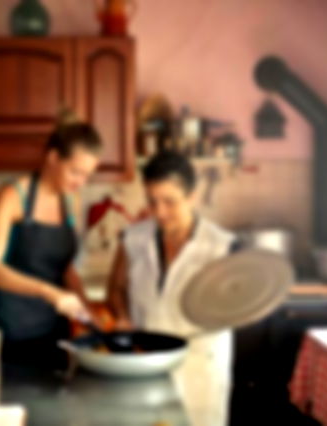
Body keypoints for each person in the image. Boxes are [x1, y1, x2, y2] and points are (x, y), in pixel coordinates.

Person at [107, 151, 236, 426]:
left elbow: (238, 307)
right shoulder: (133, 238)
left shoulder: (221, 247)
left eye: (169, 202)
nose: (159, 212)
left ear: (192, 197)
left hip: (200, 368)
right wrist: (122, 316)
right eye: (152, 201)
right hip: (145, 364)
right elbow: (116, 289)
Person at [0, 120, 102, 366]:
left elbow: (64, 268)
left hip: (54, 332)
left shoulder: (71, 201)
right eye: (75, 172)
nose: (81, 182)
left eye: (87, 175)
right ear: (53, 158)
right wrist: (49, 292)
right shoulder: (13, 196)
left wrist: (87, 310)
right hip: (10, 333)